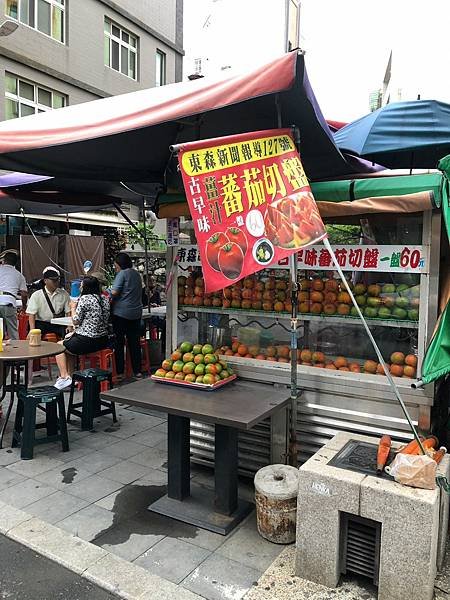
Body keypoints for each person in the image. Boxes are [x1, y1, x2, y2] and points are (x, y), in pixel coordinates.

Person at [54, 276, 110, 390]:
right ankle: (71, 378)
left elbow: (76, 320)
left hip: (87, 341)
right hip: (103, 340)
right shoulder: (104, 299)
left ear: (86, 287)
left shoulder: (85, 299)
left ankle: (64, 377)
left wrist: (73, 307)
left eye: (81, 285)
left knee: (58, 346)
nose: (80, 287)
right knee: (67, 346)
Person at [111, 252, 143, 380]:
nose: (115, 268)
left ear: (119, 264)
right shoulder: (136, 274)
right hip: (136, 313)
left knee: (119, 343)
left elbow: (114, 292)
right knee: (134, 342)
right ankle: (137, 371)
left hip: (121, 313)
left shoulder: (122, 274)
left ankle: (119, 371)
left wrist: (105, 290)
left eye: (115, 265)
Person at [27, 267, 70, 339]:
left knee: (68, 335)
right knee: (34, 336)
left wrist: (69, 326)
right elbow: (32, 314)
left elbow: (68, 312)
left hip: (58, 323)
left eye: (57, 280)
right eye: (53, 280)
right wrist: (32, 330)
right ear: (45, 281)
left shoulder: (64, 294)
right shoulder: (36, 295)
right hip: (41, 323)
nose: (56, 282)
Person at [0, 249, 28, 340]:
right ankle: (16, 351)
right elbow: (24, 294)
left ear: (4, 261)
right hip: (9, 303)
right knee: (13, 331)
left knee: (0, 330)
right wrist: (24, 307)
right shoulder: (19, 275)